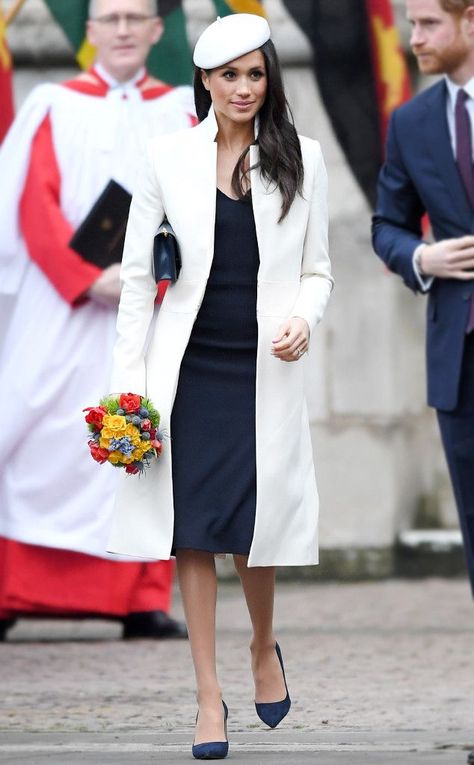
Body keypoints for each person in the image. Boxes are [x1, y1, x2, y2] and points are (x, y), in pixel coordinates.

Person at [108, 12, 333, 759]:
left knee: (255, 533)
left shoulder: (303, 156)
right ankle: (209, 695)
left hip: (264, 367)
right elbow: (139, 281)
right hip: (189, 371)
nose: (244, 88)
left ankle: (263, 645)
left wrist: (305, 316)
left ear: (270, 79)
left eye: (256, 73)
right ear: (206, 80)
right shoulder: (166, 156)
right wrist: (127, 389)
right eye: (230, 74)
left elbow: (317, 269)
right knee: (193, 531)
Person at [0, 0, 196, 641]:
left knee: (141, 443)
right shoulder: (52, 104)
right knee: (32, 437)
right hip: (61, 312)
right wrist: (89, 279)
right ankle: (13, 592)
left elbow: (199, 206)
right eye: (109, 19)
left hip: (145, 317)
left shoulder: (181, 112)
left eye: (134, 19)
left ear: (155, 31)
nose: (121, 30)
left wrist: (149, 278)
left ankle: (137, 600)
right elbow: (35, 204)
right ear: (89, 33)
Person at [373, 4, 474, 761]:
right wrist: (421, 258)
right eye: (412, 23)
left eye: (430, 23)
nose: (414, 40)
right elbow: (387, 223)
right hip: (460, 363)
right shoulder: (410, 121)